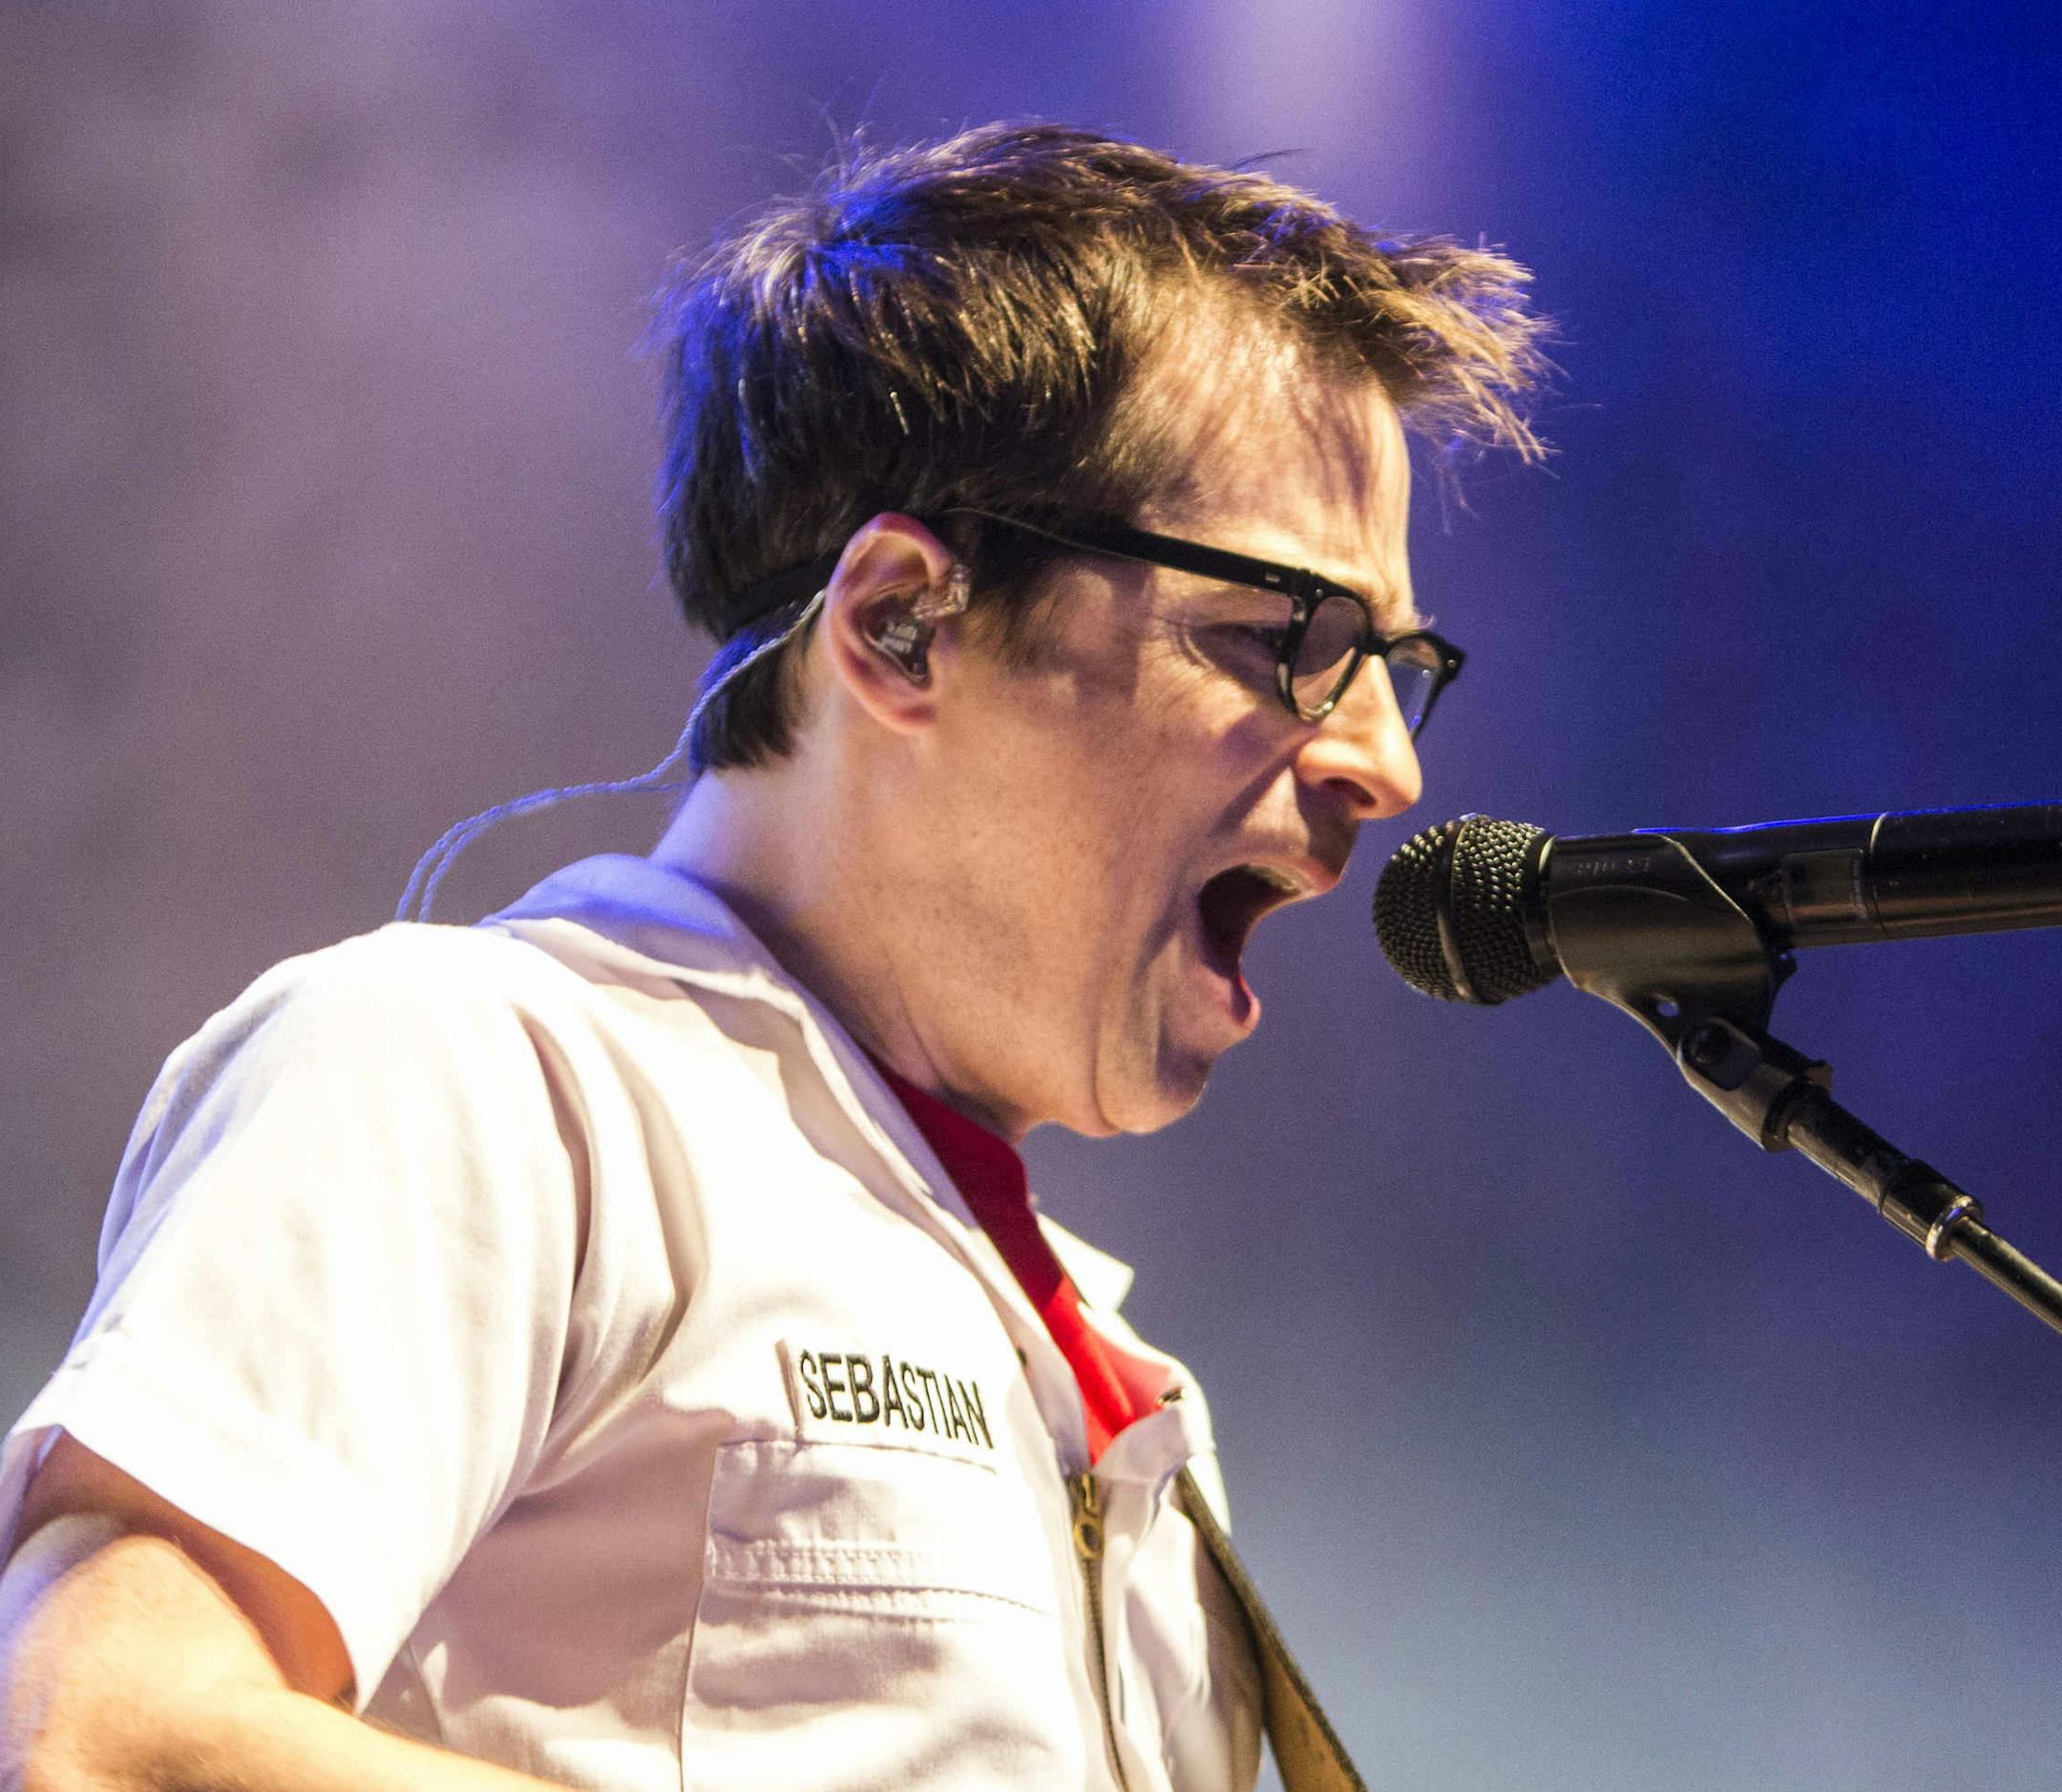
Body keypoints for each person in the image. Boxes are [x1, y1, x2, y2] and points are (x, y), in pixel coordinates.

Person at [0, 123, 1546, 1791]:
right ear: (902, 620)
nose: (1387, 764)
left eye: (1396, 662)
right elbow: (108, 1739)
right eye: (1293, 641)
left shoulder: (1116, 1377)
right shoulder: (479, 1073)